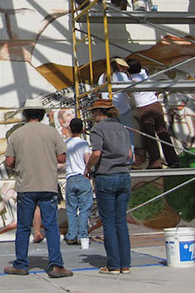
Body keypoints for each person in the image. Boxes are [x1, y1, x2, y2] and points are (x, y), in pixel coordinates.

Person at [3, 98, 72, 279]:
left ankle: (20, 264)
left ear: (25, 114)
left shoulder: (16, 134)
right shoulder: (52, 132)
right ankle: (56, 265)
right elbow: (62, 158)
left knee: (23, 227)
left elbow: (9, 162)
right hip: (48, 185)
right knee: (51, 226)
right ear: (42, 114)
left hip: (26, 185)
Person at [84, 99, 132, 275]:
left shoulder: (98, 129)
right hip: (124, 175)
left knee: (109, 222)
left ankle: (113, 264)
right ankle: (125, 264)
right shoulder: (122, 128)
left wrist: (88, 167)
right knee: (121, 222)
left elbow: (97, 153)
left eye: (93, 112)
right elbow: (129, 154)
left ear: (99, 112)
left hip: (106, 175)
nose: (92, 115)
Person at [127, 58, 179, 169]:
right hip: (156, 105)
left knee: (150, 137)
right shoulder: (143, 73)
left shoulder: (131, 80)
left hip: (144, 108)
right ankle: (173, 160)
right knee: (163, 133)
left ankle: (155, 162)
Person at [98, 57, 144, 167]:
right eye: (123, 67)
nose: (124, 69)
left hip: (108, 110)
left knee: (110, 136)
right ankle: (128, 161)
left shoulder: (102, 77)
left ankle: (112, 160)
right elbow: (129, 91)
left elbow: (98, 93)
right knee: (127, 136)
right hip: (122, 109)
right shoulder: (121, 75)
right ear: (119, 66)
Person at [62, 117, 93, 247]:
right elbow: (87, 160)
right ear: (82, 129)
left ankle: (71, 235)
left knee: (71, 209)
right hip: (82, 176)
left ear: (70, 128)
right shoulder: (83, 143)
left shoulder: (65, 143)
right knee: (84, 208)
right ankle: (82, 235)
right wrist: (89, 170)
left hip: (70, 178)